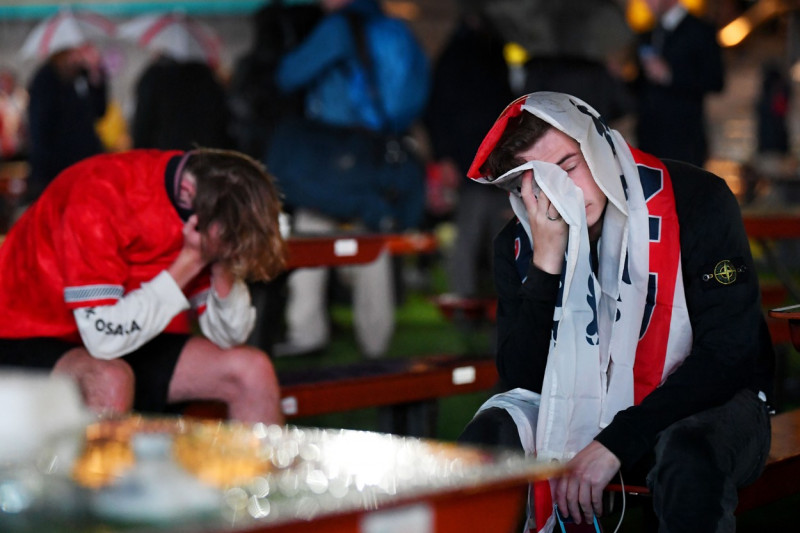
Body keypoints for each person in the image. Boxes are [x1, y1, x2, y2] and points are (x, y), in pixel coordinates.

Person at [459, 92, 774, 532]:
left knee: (688, 456)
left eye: (568, 166)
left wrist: (617, 441)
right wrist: (547, 262)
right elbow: (524, 380)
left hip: (704, 401)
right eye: (539, 182)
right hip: (584, 402)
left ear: (599, 147)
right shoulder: (520, 244)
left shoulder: (696, 198)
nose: (562, 191)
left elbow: (729, 355)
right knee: (487, 441)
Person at [0, 148, 287, 425]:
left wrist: (222, 263)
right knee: (110, 380)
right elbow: (103, 341)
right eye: (227, 240)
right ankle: (97, 475)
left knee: (252, 371)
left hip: (123, 331)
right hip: (25, 333)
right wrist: (189, 262)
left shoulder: (205, 207)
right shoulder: (100, 194)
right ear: (187, 192)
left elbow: (230, 336)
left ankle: (259, 476)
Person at [271, 0, 427, 358]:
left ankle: (306, 329)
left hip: (334, 149)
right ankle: (376, 339)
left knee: (310, 229)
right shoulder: (387, 26)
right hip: (377, 150)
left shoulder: (338, 28)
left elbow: (289, 74)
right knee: (371, 241)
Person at [423, 0, 514, 299]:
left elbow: (439, 108)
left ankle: (472, 298)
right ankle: (477, 298)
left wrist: (444, 154)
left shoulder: (466, 51)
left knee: (477, 233)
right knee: (484, 233)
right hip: (483, 158)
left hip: (480, 158)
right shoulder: (485, 52)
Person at [634, 0, 724, 168]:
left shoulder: (701, 30)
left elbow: (715, 81)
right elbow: (640, 87)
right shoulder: (649, 33)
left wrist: (670, 76)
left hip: (684, 144)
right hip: (649, 142)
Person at [26, 43, 108, 202]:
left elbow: (99, 111)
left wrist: (97, 80)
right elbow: (41, 126)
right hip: (56, 166)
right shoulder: (45, 79)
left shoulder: (82, 76)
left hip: (84, 161)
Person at [132, 54, 234, 151]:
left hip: (167, 157)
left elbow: (142, 126)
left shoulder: (155, 77)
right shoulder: (208, 78)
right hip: (204, 156)